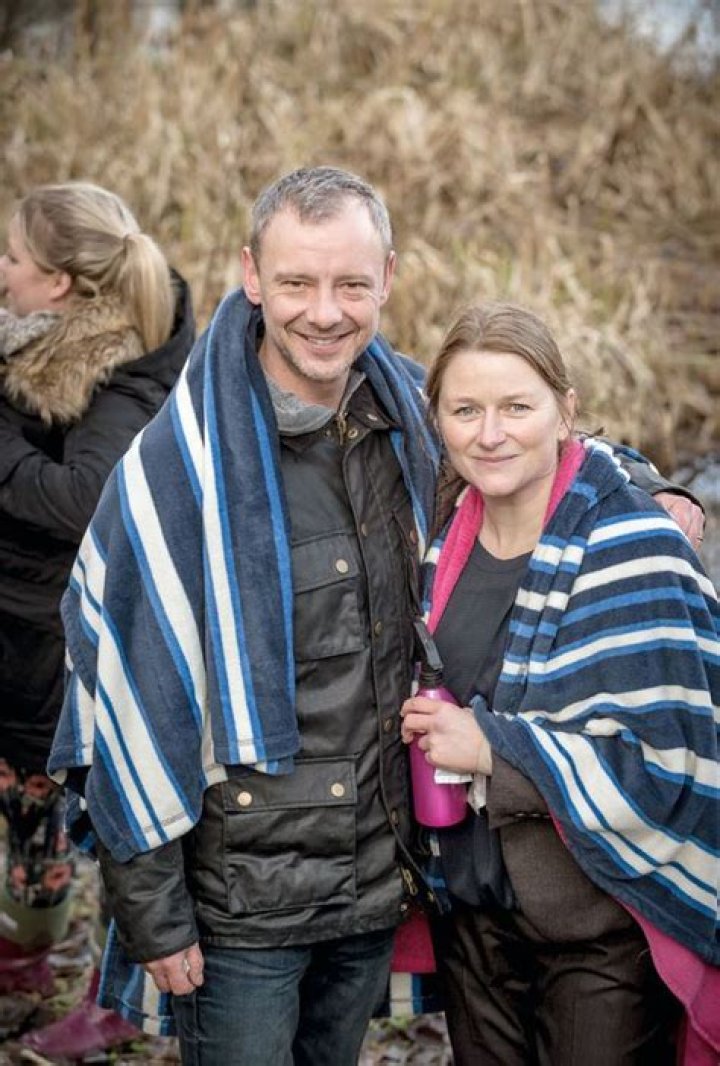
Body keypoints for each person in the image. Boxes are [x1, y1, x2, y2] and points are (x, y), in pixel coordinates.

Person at [47, 167, 705, 1066]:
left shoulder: (407, 418)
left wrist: (657, 489)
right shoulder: (177, 469)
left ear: (387, 279)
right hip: (243, 909)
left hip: (374, 883)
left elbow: (528, 439)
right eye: (297, 283)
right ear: (251, 276)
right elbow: (131, 690)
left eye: (351, 284)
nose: (326, 312)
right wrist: (156, 918)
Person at [400, 302, 719, 1065]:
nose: (491, 432)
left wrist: (494, 750)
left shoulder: (635, 549)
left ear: (565, 411)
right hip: (472, 916)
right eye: (466, 409)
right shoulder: (440, 541)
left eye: (517, 406)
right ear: (436, 421)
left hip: (597, 931)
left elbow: (675, 761)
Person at [0, 181, 195, 1058]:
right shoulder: (38, 336)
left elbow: (86, 496)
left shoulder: (119, 369)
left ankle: (120, 999)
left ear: (62, 287)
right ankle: (22, 965)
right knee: (25, 801)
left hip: (76, 634)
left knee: (112, 816)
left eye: (12, 260)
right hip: (25, 617)